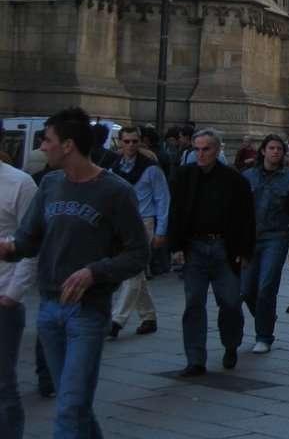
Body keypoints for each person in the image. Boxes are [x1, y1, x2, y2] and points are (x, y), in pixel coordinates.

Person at [0, 107, 150, 438]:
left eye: (47, 140)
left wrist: (94, 272)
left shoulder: (115, 191)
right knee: (76, 407)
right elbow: (27, 241)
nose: (42, 147)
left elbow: (139, 253)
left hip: (87, 312)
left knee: (68, 408)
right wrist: (8, 248)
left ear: (67, 145)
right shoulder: (50, 185)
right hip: (49, 310)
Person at [166, 128, 255, 377]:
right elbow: (175, 211)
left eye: (206, 149)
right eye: (196, 149)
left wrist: (245, 251)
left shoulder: (235, 180)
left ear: (216, 150)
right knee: (193, 302)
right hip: (194, 247)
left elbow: (247, 219)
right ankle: (195, 359)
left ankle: (231, 344)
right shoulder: (184, 176)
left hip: (224, 247)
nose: (201, 154)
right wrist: (175, 247)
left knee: (230, 301)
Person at [241, 134, 289, 354]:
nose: (275, 151)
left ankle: (264, 336)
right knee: (246, 289)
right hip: (250, 239)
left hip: (275, 238)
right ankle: (265, 313)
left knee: (266, 286)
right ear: (263, 151)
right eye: (271, 148)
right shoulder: (248, 177)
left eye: (279, 148)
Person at [108, 126, 170, 339]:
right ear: (120, 142)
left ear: (140, 142)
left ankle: (117, 320)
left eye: (135, 141)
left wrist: (162, 230)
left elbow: (163, 199)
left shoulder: (151, 168)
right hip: (122, 223)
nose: (131, 145)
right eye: (127, 141)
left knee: (132, 269)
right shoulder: (114, 168)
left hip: (144, 222)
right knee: (137, 272)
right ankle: (148, 317)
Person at [0, 123, 38, 439]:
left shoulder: (20, 184)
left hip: (2, 299)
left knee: (3, 383)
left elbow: (33, 245)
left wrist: (12, 294)